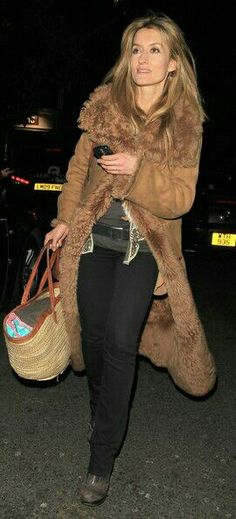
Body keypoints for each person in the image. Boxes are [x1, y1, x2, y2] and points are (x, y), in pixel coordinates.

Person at [44, 12, 216, 506]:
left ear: (174, 65)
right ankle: (104, 414)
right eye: (136, 49)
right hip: (95, 241)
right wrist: (63, 218)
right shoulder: (105, 107)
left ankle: (101, 459)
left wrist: (139, 171)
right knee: (93, 344)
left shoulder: (184, 124)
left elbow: (181, 198)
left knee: (120, 342)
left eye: (155, 50)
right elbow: (79, 169)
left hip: (144, 248)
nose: (143, 58)